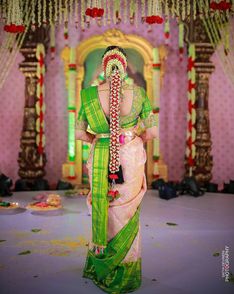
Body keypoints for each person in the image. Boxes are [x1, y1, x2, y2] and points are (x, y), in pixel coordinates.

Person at [76, 46, 157, 293]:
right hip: (130, 156)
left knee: (106, 210)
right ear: (123, 67)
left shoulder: (89, 95)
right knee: (127, 213)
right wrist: (133, 139)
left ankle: (100, 265)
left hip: (101, 155)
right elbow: (152, 132)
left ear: (103, 67)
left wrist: (101, 140)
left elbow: (80, 133)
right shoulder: (140, 93)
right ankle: (124, 273)